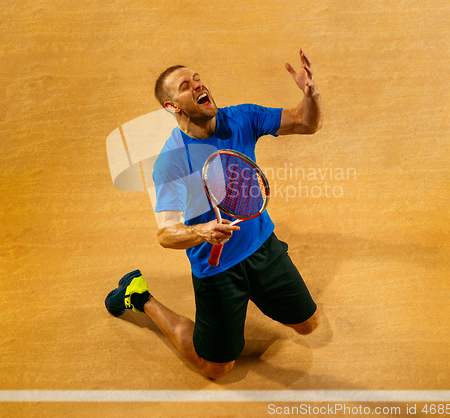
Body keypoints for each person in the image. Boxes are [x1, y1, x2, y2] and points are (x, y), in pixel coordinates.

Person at [105, 49, 324, 379]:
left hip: (263, 248)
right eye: (184, 86)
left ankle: (265, 280)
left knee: (309, 325)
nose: (197, 85)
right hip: (217, 269)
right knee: (217, 368)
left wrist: (311, 95)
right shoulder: (172, 162)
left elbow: (306, 122)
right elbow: (166, 234)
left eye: (197, 79)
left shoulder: (241, 118)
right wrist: (201, 232)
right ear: (172, 107)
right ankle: (139, 295)